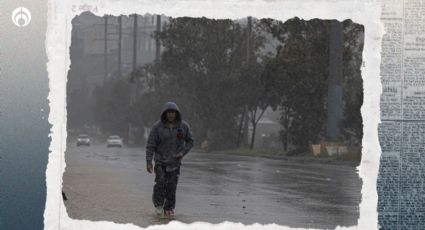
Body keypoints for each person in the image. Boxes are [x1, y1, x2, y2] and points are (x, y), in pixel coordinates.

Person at [145, 102, 194, 217]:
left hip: (175, 163)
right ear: (165, 114)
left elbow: (191, 141)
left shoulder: (183, 126)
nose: (171, 115)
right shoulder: (157, 127)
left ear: (176, 114)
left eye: (173, 113)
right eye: (169, 113)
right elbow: (150, 145)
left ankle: (169, 208)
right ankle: (158, 204)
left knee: (172, 186)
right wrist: (148, 162)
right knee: (160, 182)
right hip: (160, 161)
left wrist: (182, 152)